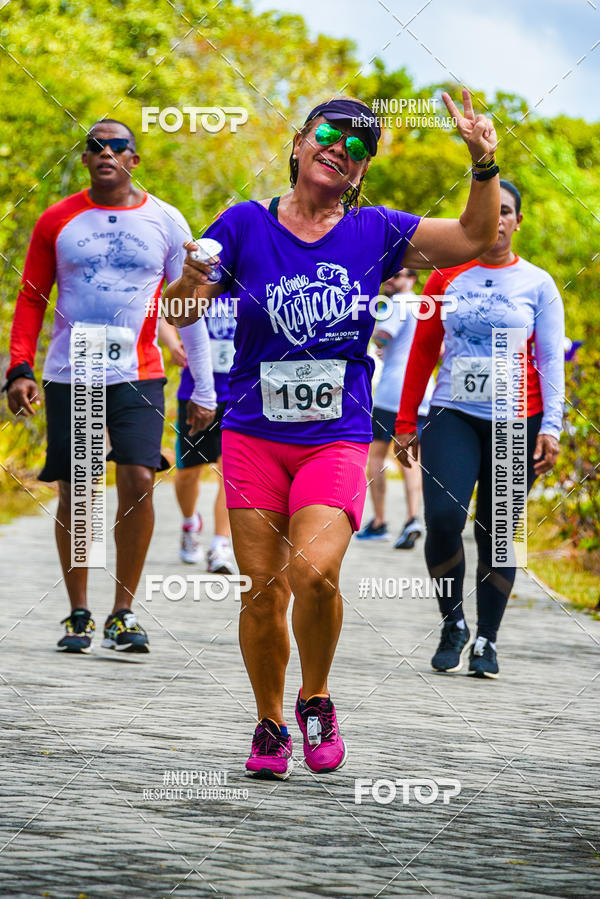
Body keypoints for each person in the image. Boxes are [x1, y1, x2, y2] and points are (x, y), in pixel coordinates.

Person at [164, 91, 500, 778]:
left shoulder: (376, 230)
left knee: (313, 573)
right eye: (328, 134)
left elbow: (470, 237)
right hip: (255, 431)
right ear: (297, 143)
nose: (339, 149)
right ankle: (268, 722)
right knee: (263, 588)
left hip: (334, 435)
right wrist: (191, 277)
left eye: (356, 147)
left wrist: (483, 161)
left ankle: (315, 696)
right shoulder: (242, 224)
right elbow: (176, 310)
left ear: (361, 171)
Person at [4, 119, 212, 654]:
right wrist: (19, 368)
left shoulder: (165, 219)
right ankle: (78, 613)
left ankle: (123, 612)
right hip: (72, 371)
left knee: (139, 478)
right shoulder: (58, 220)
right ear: (85, 159)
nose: (105, 153)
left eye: (117, 146)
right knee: (80, 489)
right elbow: (31, 298)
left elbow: (187, 305)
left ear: (134, 160)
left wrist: (204, 389)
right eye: (95, 146)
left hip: (139, 372)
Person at [395, 180, 565, 679]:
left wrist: (550, 427)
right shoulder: (443, 277)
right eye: (493, 211)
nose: (500, 219)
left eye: (508, 211)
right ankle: (453, 624)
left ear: (516, 221)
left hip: (519, 418)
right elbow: (423, 351)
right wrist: (407, 421)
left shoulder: (538, 284)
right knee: (445, 519)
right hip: (453, 413)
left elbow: (552, 359)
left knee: (497, 533)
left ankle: (487, 639)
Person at [356, 268, 435, 548]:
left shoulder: (398, 304)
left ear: (411, 279)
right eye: (388, 274)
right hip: (423, 391)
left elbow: (383, 336)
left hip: (393, 391)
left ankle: (379, 522)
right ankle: (414, 517)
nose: (390, 279)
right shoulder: (425, 303)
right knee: (412, 455)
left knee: (376, 455)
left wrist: (377, 340)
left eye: (398, 274)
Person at [160, 297, 236, 572]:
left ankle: (220, 545)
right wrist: (172, 344)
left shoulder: (247, 279)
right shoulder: (197, 283)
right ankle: (190, 522)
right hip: (196, 393)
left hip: (238, 393)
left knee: (230, 470)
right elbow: (164, 317)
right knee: (188, 471)